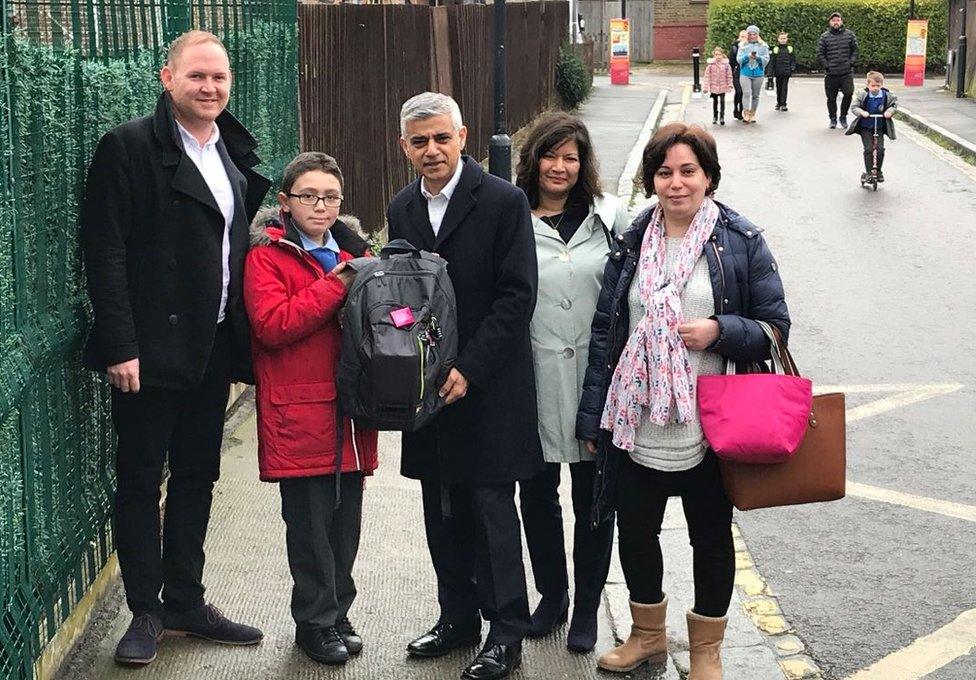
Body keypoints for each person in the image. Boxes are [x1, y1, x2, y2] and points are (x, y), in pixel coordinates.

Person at [80, 30, 271, 665]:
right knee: (139, 479)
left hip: (213, 341)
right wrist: (120, 343)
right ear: (168, 79)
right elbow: (103, 251)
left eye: (219, 77)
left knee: (198, 474)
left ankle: (186, 599)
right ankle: (145, 610)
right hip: (149, 348)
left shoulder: (230, 151)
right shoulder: (129, 147)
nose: (210, 87)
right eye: (197, 77)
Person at [576, 123, 790, 678]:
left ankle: (706, 651)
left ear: (709, 176)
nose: (676, 183)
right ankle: (647, 636)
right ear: (652, 179)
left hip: (710, 421)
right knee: (637, 531)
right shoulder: (633, 237)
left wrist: (720, 329)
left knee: (710, 536)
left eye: (688, 171)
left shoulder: (740, 240)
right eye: (665, 172)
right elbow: (609, 329)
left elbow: (775, 326)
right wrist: (593, 414)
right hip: (639, 416)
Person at [387, 92, 543, 680]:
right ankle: (456, 620)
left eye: (441, 138)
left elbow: (516, 297)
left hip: (490, 385)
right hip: (426, 389)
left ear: (462, 136)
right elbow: (401, 294)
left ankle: (507, 631)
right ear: (405, 146)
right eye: (419, 141)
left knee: (493, 511)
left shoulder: (504, 201)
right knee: (440, 509)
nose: (432, 150)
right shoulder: (402, 207)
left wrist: (469, 369)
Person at [243, 152, 378, 665]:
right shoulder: (267, 256)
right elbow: (273, 324)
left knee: (347, 521)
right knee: (310, 525)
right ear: (285, 202)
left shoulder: (357, 250)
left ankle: (339, 613)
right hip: (298, 409)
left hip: (351, 410)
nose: (320, 207)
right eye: (308, 197)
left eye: (330, 198)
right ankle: (314, 622)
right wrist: (338, 284)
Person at [512, 112, 630, 654]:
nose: (559, 167)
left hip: (593, 382)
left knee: (593, 502)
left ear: (583, 165)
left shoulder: (609, 220)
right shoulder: (511, 217)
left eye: (570, 157)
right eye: (550, 155)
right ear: (532, 158)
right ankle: (552, 596)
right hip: (530, 381)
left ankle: (586, 608)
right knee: (536, 498)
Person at [845, 71, 898, 183]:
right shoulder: (863, 94)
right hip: (866, 127)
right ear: (868, 85)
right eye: (872, 86)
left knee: (880, 149)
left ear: (882, 85)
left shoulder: (886, 95)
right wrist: (862, 112)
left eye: (878, 86)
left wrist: (889, 112)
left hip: (879, 126)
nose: (875, 88)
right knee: (869, 149)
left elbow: (893, 105)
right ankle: (869, 172)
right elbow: (854, 107)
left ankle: (878, 171)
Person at [817, 11, 859, 128]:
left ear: (841, 21)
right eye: (833, 20)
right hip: (831, 73)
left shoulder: (850, 35)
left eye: (838, 20)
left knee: (848, 93)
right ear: (830, 22)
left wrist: (851, 62)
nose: (836, 22)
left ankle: (843, 116)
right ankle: (833, 119)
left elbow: (855, 50)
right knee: (831, 98)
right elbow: (820, 53)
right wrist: (826, 65)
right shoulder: (824, 37)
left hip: (846, 72)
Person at [736, 26, 769, 124]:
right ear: (747, 35)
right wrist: (747, 56)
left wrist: (758, 57)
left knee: (755, 95)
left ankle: (752, 113)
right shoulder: (742, 46)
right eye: (750, 34)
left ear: (758, 35)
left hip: (758, 73)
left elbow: (766, 59)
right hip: (745, 73)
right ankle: (746, 113)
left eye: (754, 34)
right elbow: (739, 59)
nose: (752, 36)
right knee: (746, 93)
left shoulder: (763, 46)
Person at [703, 47, 735, 125]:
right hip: (714, 86)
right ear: (714, 55)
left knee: (722, 101)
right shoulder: (710, 65)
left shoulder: (726, 65)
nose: (718, 56)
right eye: (716, 54)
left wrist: (730, 85)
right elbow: (707, 76)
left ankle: (722, 117)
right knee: (715, 102)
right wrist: (705, 87)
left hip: (723, 86)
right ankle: (715, 116)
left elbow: (729, 76)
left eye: (719, 54)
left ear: (722, 55)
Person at [770, 32, 797, 111]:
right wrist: (770, 72)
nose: (783, 40)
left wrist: (792, 68)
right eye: (781, 38)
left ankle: (783, 104)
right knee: (779, 88)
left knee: (784, 88)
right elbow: (772, 62)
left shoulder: (790, 48)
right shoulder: (775, 49)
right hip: (778, 72)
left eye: (784, 38)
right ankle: (778, 102)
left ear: (787, 39)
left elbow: (793, 60)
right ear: (778, 39)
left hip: (786, 71)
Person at [729, 30, 748, 120]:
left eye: (745, 37)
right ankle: (736, 108)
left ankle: (741, 110)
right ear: (739, 37)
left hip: (746, 72)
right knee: (739, 91)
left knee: (745, 93)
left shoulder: (749, 47)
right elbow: (731, 61)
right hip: (737, 72)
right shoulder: (734, 47)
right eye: (742, 36)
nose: (743, 38)